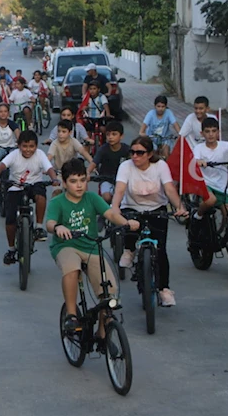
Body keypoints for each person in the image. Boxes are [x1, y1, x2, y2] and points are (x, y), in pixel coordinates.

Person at [46, 158, 139, 333]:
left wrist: (126, 223)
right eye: (73, 181)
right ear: (64, 183)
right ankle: (72, 315)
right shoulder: (57, 202)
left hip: (91, 247)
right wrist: (58, 227)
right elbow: (49, 223)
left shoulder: (92, 198)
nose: (79, 185)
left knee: (109, 288)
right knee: (71, 269)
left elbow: (110, 213)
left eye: (82, 180)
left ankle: (104, 328)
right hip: (66, 246)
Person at [111, 136, 187, 307]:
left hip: (157, 209)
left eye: (140, 153)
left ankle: (164, 289)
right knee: (129, 227)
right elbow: (120, 190)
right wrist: (115, 207)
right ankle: (129, 250)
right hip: (131, 207)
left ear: (150, 154)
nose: (135, 156)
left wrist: (179, 207)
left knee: (160, 250)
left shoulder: (160, 166)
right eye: (132, 152)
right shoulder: (125, 166)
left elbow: (169, 189)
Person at [0, 131, 59, 262]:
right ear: (19, 146)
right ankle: (11, 249)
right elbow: (2, 166)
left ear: (36, 146)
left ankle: (38, 227)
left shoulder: (40, 155)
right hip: (16, 186)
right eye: (25, 146)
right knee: (10, 220)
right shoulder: (14, 155)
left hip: (35, 184)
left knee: (41, 197)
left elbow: (49, 169)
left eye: (31, 146)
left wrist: (54, 179)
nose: (28, 150)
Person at [92, 120, 129, 203]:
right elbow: (94, 163)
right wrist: (87, 173)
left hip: (123, 180)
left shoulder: (127, 150)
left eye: (114, 134)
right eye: (108, 134)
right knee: (107, 197)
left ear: (121, 136)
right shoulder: (103, 149)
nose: (110, 137)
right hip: (106, 179)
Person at [0, 103, 21, 189]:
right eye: (1, 111)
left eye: (5, 111)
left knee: (16, 157)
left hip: (12, 148)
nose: (3, 113)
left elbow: (18, 135)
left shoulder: (13, 124)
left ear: (8, 113)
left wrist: (20, 143)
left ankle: (15, 179)